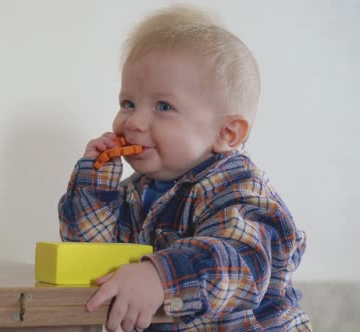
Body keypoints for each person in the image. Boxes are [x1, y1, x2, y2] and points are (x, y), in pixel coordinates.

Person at [57, 5, 311, 332]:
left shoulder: (239, 189)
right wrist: (95, 185)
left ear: (226, 133)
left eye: (164, 106)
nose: (133, 121)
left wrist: (160, 275)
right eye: (128, 103)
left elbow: (242, 260)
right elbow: (90, 257)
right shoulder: (135, 191)